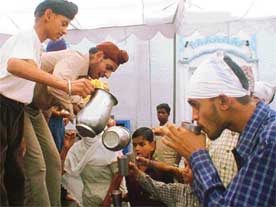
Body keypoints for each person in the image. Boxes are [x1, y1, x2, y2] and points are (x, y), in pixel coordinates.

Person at [0, 0, 94, 206]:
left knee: (14, 173)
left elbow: (30, 74)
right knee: (11, 173)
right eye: (64, 23)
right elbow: (15, 65)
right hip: (4, 105)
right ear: (48, 15)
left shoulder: (36, 46)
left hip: (16, 109)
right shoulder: (27, 36)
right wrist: (67, 86)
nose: (65, 30)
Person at [158, 52, 276, 206]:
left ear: (223, 101)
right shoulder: (256, 134)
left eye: (196, 105)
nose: (194, 116)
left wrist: (196, 155)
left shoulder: (270, 140)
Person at [23, 41, 129, 206]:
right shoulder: (77, 58)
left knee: (53, 162)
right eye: (108, 68)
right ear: (99, 56)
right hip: (21, 107)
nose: (107, 75)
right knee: (37, 166)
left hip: (36, 110)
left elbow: (52, 94)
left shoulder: (84, 75)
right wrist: (78, 107)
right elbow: (55, 86)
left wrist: (86, 110)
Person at [62, 122, 126, 207]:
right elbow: (61, 171)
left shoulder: (108, 144)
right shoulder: (77, 148)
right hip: (88, 201)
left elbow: (118, 174)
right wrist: (66, 148)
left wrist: (107, 200)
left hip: (110, 201)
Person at [124, 127, 171, 206]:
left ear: (152, 145)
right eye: (134, 145)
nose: (137, 148)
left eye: (142, 144)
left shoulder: (161, 170)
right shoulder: (131, 170)